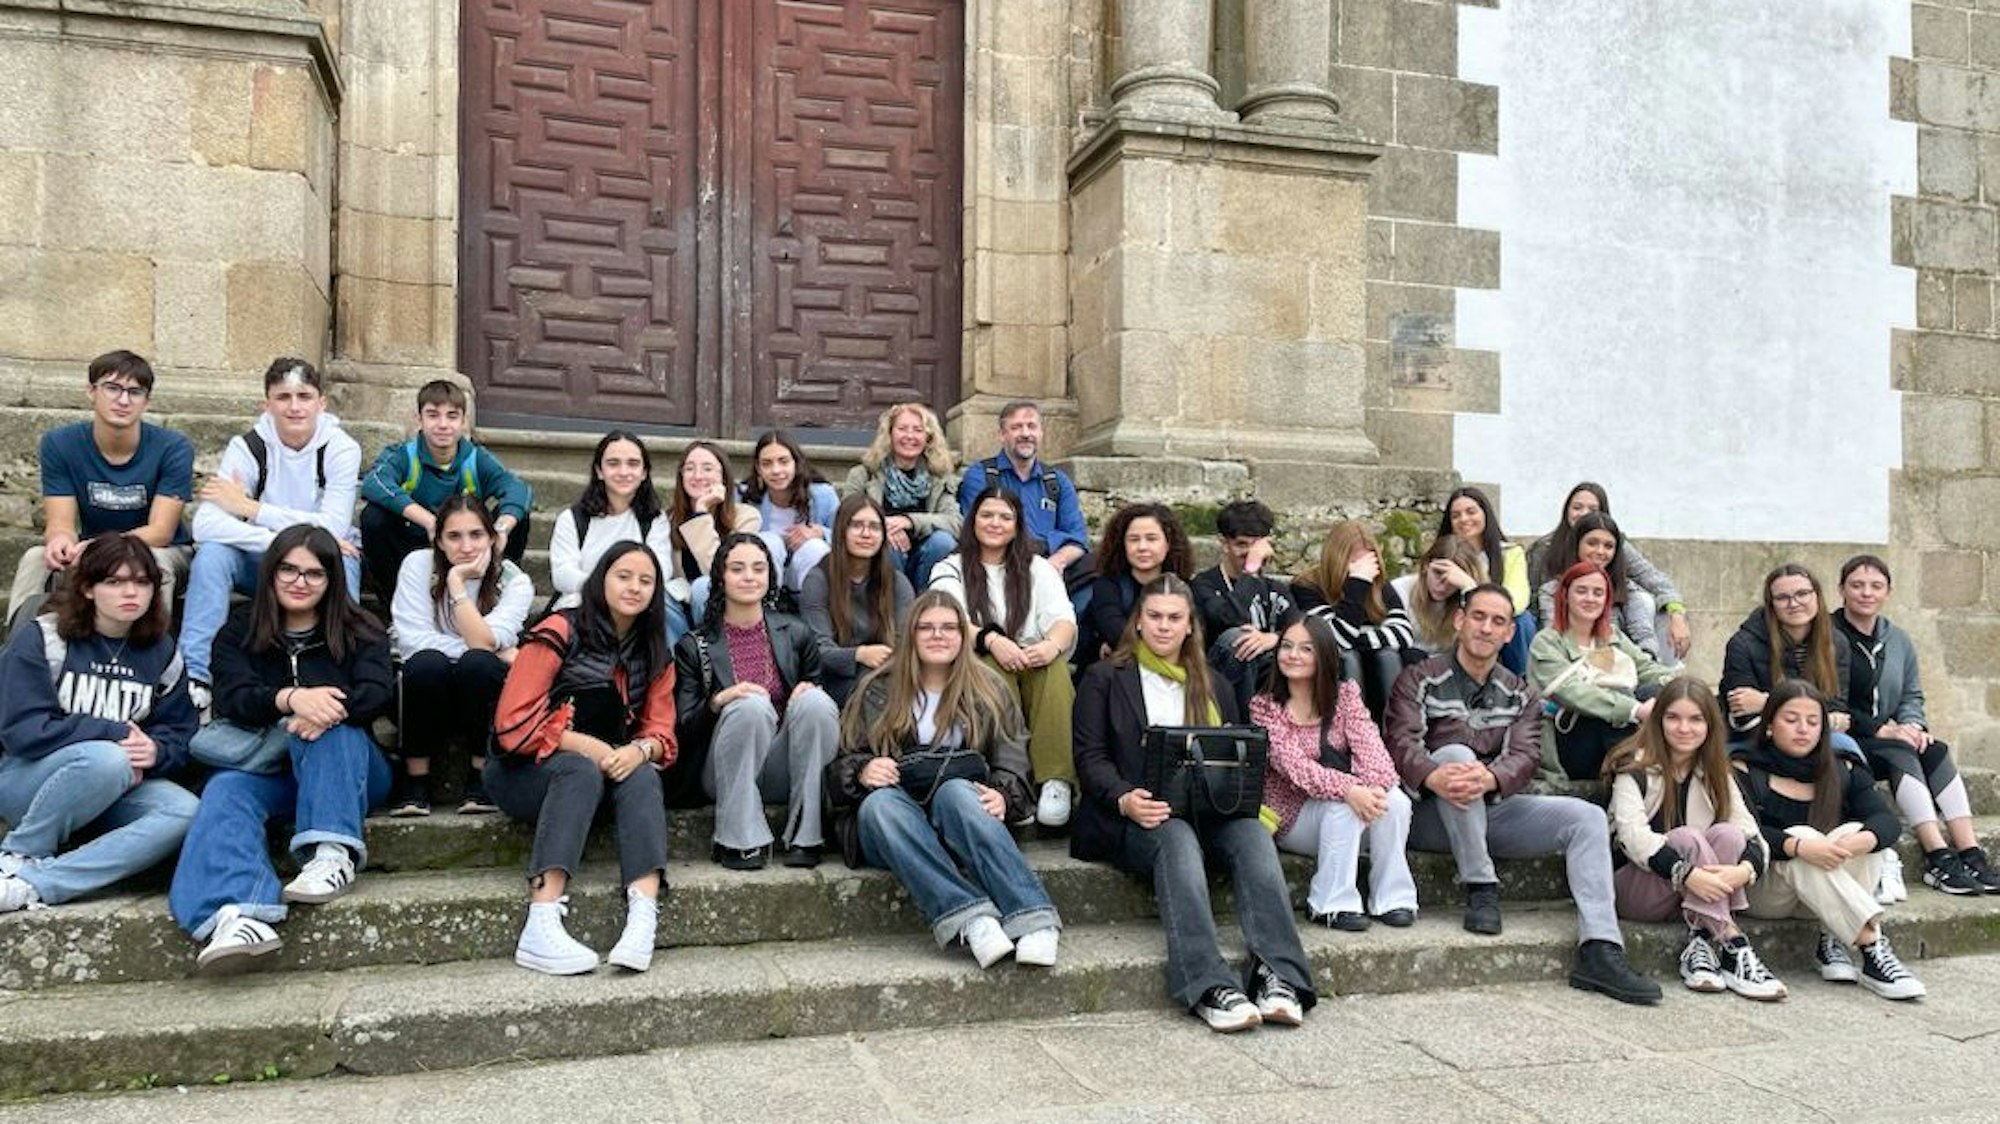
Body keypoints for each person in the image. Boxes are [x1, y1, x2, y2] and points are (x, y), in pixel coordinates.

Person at [1383, 583, 1660, 1005]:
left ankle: (1601, 948)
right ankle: (1481, 888)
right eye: (1478, 617)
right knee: (1456, 753)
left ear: (1510, 634)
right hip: (1433, 816)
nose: (1486, 628)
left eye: (1498, 622)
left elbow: (1526, 756)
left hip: (1494, 808)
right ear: (1459, 620)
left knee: (1585, 818)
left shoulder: (1520, 691)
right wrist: (1434, 775)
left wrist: (1491, 779)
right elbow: (1401, 742)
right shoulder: (1419, 678)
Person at [1073, 575, 1316, 1032]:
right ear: (1138, 623)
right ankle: (1207, 983)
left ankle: (1278, 975)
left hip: (1209, 808)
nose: (1164, 627)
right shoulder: (1104, 678)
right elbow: (1090, 757)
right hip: (1135, 814)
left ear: (1189, 626)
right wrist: (1124, 798)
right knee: (1176, 835)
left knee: (1251, 835)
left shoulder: (1218, 685)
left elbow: (1236, 752)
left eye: (1174, 618)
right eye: (1155, 617)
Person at [167, 525, 393, 973]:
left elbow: (377, 692)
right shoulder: (241, 628)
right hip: (269, 766)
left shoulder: (360, 628)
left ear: (332, 580)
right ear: (270, 573)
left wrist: (321, 704)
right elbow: (232, 695)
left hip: (354, 769)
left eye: (314, 573)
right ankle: (238, 913)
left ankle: (331, 853)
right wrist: (290, 699)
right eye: (288, 569)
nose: (299, 581)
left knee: (332, 729)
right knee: (226, 789)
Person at [827, 591, 1061, 967]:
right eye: (927, 627)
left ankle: (1034, 919)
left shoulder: (989, 688)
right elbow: (839, 764)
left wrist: (1003, 795)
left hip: (961, 820)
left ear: (963, 635)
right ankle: (972, 918)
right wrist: (862, 770)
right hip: (892, 828)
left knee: (956, 792)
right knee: (882, 804)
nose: (939, 635)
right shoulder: (876, 687)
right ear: (911, 634)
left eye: (950, 627)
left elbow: (1013, 763)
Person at [489, 542, 676, 975]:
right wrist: (587, 746)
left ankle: (642, 917)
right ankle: (541, 919)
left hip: (606, 773)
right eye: (623, 576)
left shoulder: (654, 651)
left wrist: (639, 749)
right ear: (601, 579)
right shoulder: (560, 629)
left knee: (643, 773)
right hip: (525, 773)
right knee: (579, 769)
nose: (634, 587)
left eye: (645, 581)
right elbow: (512, 726)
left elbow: (662, 732)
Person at [0, 534, 198, 912]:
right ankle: (18, 853)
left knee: (183, 811)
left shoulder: (162, 653)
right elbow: (22, 731)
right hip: (25, 780)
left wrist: (156, 751)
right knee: (108, 758)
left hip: (114, 787)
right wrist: (116, 734)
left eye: (142, 582)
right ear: (88, 588)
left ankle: (37, 884)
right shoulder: (43, 638)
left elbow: (180, 733)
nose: (131, 592)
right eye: (115, 581)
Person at [180, 358, 362, 709]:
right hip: (262, 562)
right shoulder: (248, 446)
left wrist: (252, 510)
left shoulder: (340, 448)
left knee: (344, 556)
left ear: (321, 403)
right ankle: (196, 678)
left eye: (304, 396)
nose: (294, 406)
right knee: (213, 555)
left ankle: (340, 672)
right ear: (267, 404)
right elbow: (205, 525)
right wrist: (280, 545)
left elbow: (334, 528)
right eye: (283, 397)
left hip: (321, 562)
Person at [1738, 680, 1924, 1000]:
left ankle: (1832, 938)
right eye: (1791, 719)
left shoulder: (1842, 767)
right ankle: (1871, 947)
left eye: (1813, 722)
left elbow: (1887, 822)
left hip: (1822, 891)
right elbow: (1742, 831)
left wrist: (1861, 841)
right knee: (1803, 836)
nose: (1803, 730)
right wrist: (1796, 846)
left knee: (1859, 834)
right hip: (1767, 893)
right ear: (1769, 725)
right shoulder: (1744, 767)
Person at [1603, 679, 1785, 1000]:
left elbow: (1750, 833)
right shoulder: (1633, 768)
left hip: (1696, 893)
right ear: (1658, 721)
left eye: (1696, 719)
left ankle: (1701, 942)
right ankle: (1733, 943)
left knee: (1728, 834)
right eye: (1673, 717)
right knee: (1687, 838)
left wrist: (1743, 872)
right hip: (1637, 890)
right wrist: (1688, 874)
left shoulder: (1716, 771)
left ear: (1710, 725)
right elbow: (1634, 839)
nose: (1684, 728)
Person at [1834, 554, 1999, 898]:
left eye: (1876, 586)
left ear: (1888, 592)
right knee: (1900, 753)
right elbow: (1829, 698)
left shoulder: (1898, 640)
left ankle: (1970, 855)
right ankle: (1937, 857)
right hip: (1846, 738)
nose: (1866, 593)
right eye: (1857, 585)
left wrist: (1913, 726)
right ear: (1841, 590)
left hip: (1889, 735)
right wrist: (1883, 729)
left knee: (1933, 748)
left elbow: (1911, 694)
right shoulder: (1829, 636)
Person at [674, 533, 839, 871]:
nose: (749, 576)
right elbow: (684, 731)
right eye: (737, 569)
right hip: (722, 769)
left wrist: (805, 693)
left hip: (781, 763)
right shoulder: (695, 645)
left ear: (770, 576)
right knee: (750, 705)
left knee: (817, 703)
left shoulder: (796, 633)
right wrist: (719, 701)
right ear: (720, 577)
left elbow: (814, 716)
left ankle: (806, 835)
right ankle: (738, 840)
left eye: (758, 568)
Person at [9, 350, 194, 633]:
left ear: (147, 401)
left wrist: (99, 548)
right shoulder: (60, 444)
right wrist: (60, 541)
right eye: (112, 388)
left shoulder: (172, 448)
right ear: (91, 392)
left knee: (155, 564)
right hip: (91, 547)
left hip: (161, 550)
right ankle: (17, 656)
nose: (123, 400)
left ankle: (152, 661)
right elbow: (60, 522)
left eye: (134, 392)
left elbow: (161, 531)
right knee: (36, 558)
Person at [1252, 611, 1415, 931]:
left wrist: (1373, 788)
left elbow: (1373, 750)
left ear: (1323, 654)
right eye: (1286, 646)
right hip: (1293, 815)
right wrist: (1350, 789)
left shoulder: (1345, 697)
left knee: (1397, 802)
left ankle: (1392, 897)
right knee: (1343, 807)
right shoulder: (1265, 706)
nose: (1293, 655)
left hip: (1350, 806)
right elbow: (1295, 768)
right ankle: (1331, 902)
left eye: (1305, 648)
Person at [929, 488, 1078, 828]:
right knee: (994, 666)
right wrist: (992, 639)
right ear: (973, 521)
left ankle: (1055, 781)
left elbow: (1063, 621)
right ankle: (1011, 783)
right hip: (974, 661)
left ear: (1017, 525)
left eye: (1005, 517)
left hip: (1031, 658)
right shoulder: (950, 567)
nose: (995, 523)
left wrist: (1050, 645)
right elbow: (947, 616)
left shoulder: (1038, 569)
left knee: (1054, 668)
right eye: (986, 515)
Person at [389, 495, 534, 816]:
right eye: (454, 536)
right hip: (427, 687)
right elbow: (412, 641)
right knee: (427, 663)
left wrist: (457, 590)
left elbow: (485, 643)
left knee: (478, 665)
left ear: (493, 539)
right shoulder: (418, 565)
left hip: (479, 689)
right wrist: (492, 647)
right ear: (438, 540)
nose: (466, 547)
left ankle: (481, 776)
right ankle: (415, 779)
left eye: (476, 535)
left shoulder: (514, 581)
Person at [357, 379, 532, 602]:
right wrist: (430, 522)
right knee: (374, 517)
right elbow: (375, 482)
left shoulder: (476, 458)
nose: (443, 424)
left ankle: (494, 592)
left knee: (518, 516)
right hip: (413, 542)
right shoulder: (403, 455)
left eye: (452, 416)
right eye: (433, 415)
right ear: (419, 419)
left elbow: (518, 489)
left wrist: (502, 528)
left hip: (463, 543)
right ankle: (394, 605)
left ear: (463, 422)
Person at [1527, 562, 1676, 781]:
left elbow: (1646, 668)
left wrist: (1677, 686)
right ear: (1565, 596)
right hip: (1569, 740)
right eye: (1581, 591)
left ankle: (1654, 777)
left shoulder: (1610, 637)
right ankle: (1641, 779)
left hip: (1616, 733)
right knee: (1607, 713)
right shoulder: (1547, 642)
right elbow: (1572, 693)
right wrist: (1633, 709)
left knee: (1658, 692)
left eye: (1598, 593)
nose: (1590, 598)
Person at [1525, 482, 1691, 660]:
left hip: (1612, 642)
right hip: (1561, 636)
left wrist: (1677, 614)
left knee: (1648, 603)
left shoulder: (1619, 559)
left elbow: (1654, 580)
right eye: (1577, 507)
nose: (1583, 514)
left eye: (1593, 509)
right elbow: (1537, 604)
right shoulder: (1544, 552)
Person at [547, 432, 686, 645]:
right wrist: (610, 594)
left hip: (636, 603)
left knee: (665, 608)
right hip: (583, 603)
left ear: (644, 473)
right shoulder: (573, 519)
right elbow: (563, 575)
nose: (623, 472)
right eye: (613, 463)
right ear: (599, 471)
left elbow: (661, 571)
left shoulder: (653, 520)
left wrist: (623, 593)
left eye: (632, 464)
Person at [1720, 564, 1858, 754]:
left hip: (1815, 736)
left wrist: (1765, 702)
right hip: (1757, 738)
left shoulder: (1836, 643)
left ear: (1816, 596)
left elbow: (1837, 708)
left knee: (1847, 748)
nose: (1793, 603)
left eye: (1802, 593)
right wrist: (1815, 715)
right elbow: (1742, 710)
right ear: (1771, 604)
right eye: (1782, 598)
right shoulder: (1743, 644)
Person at [1289, 520, 1417, 721]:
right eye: (1355, 564)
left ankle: (1392, 733)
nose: (1363, 570)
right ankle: (1352, 732)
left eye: (1367, 563)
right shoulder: (1307, 586)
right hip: (1328, 669)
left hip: (1373, 669)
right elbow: (1335, 641)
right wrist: (1357, 584)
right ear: (1336, 558)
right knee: (1348, 657)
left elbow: (1403, 634)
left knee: (1388, 656)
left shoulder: (1379, 586)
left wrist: (1356, 639)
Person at [798, 494, 913, 705]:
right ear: (842, 530)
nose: (866, 534)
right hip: (834, 681)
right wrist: (859, 654)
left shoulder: (896, 582)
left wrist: (882, 660)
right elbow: (817, 649)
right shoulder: (818, 579)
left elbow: (904, 641)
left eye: (875, 527)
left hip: (886, 675)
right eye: (857, 525)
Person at [956, 401, 1090, 583]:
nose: (1026, 434)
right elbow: (976, 531)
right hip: (997, 568)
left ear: (1041, 433)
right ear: (1002, 435)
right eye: (1016, 427)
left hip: (1050, 567)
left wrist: (1054, 564)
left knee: (1095, 565)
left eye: (1032, 427)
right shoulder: (981, 476)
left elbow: (1078, 538)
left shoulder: (1057, 482)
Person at [843, 402, 961, 589]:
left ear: (928, 438)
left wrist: (909, 522)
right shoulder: (864, 474)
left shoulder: (940, 477)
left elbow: (955, 522)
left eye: (918, 430)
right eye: (902, 429)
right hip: (882, 558)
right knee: (889, 547)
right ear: (889, 434)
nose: (910, 436)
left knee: (943, 542)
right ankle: (892, 606)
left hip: (924, 557)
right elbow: (845, 518)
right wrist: (883, 528)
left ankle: (924, 607)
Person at [1534, 513, 1673, 662]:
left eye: (1608, 546)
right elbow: (1554, 636)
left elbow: (1644, 636)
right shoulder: (1551, 591)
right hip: (1570, 665)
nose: (1600, 551)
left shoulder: (1626, 589)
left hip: (1622, 664)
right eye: (1592, 543)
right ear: (1577, 545)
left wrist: (1645, 662)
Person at [1191, 500, 1291, 706]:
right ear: (1224, 543)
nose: (1249, 552)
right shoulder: (1204, 585)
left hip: (1268, 671)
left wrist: (1275, 639)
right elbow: (1229, 619)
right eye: (1241, 544)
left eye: (1256, 545)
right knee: (1239, 639)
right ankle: (1243, 731)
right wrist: (1251, 570)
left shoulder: (1275, 588)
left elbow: (1302, 628)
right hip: (1217, 675)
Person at [1436, 487, 1535, 673]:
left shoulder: (1510, 553)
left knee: (1522, 620)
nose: (1464, 519)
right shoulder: (1444, 557)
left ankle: (1522, 684)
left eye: (1471, 512)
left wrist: (1470, 586)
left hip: (1499, 629)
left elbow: (1518, 602)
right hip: (1456, 626)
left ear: (1486, 514)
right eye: (1456, 515)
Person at [1080, 502, 1193, 666]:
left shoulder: (1184, 587)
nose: (1142, 547)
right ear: (1123, 545)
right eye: (1134, 539)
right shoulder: (1107, 586)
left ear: (1168, 543)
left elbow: (1195, 635)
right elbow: (1116, 632)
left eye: (1151, 539)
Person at [670, 442, 763, 626]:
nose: (697, 476)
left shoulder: (746, 517)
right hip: (683, 608)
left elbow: (718, 572)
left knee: (702, 587)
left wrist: (701, 512)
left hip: (726, 609)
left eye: (707, 468)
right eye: (689, 469)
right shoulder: (670, 519)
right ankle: (676, 655)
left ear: (723, 477)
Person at [742, 430, 839, 595]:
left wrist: (820, 533)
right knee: (767, 542)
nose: (776, 470)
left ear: (796, 463)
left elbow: (845, 536)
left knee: (815, 547)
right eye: (767, 463)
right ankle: (767, 607)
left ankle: (813, 608)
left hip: (806, 576)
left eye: (783, 461)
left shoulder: (823, 495)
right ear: (758, 468)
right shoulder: (746, 497)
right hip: (762, 582)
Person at [1388, 533, 1483, 657]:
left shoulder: (1464, 597)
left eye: (1452, 580)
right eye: (1438, 573)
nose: (1442, 586)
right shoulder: (1400, 590)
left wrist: (1469, 589)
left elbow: (1478, 642)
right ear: (1426, 566)